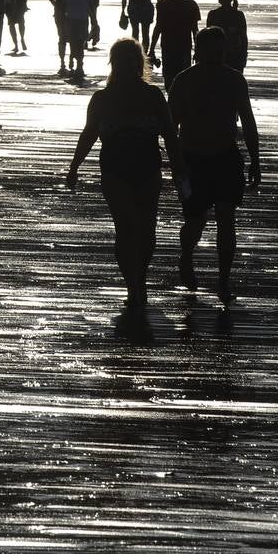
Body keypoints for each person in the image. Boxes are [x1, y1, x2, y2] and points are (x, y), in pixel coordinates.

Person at [67, 39, 183, 334]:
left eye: (132, 60)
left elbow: (170, 134)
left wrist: (180, 170)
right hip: (115, 171)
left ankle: (139, 276)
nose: (127, 65)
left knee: (147, 232)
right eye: (121, 60)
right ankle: (134, 286)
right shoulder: (102, 99)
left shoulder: (153, 96)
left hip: (148, 170)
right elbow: (89, 133)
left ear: (139, 64)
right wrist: (74, 166)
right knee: (127, 227)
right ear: (114, 64)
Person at [169, 27, 261, 307]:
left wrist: (255, 160)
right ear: (198, 51)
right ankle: (186, 256)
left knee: (226, 218)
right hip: (192, 159)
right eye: (210, 51)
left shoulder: (234, 80)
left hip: (225, 157)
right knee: (195, 222)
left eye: (220, 51)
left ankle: (223, 279)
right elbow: (170, 127)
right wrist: (176, 164)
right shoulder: (184, 80)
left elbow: (247, 121)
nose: (216, 56)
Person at [152, 0, 200, 89]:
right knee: (183, 80)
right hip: (184, 47)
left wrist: (152, 49)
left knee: (169, 80)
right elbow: (195, 30)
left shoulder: (162, 4)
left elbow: (158, 28)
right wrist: (198, 49)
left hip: (168, 47)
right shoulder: (191, 4)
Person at [206, 0, 248, 72]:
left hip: (219, 55)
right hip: (232, 55)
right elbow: (244, 38)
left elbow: (207, 38)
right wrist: (244, 55)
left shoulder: (213, 14)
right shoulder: (238, 15)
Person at [62, 0, 93, 81]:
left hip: (83, 20)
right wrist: (62, 22)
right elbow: (63, 7)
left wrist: (94, 21)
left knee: (80, 44)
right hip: (70, 20)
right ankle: (73, 58)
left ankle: (79, 65)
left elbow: (90, 6)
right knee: (73, 44)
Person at [49, 0, 72, 75]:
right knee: (73, 37)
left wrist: (57, 7)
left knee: (62, 37)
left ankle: (62, 62)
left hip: (59, 12)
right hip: (72, 11)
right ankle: (71, 60)